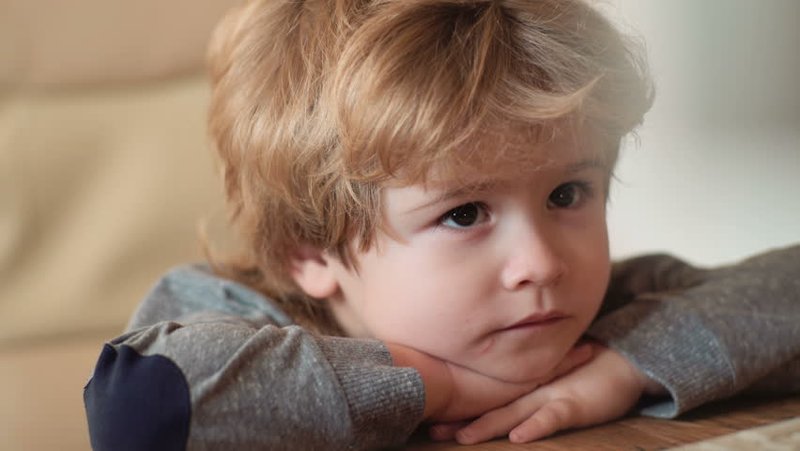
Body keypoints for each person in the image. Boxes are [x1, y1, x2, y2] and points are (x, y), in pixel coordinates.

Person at [83, 0, 800, 449]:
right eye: (464, 213)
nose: (542, 263)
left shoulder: (596, 317)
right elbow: (138, 408)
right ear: (310, 251)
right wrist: (445, 388)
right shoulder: (223, 320)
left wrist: (623, 368)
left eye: (567, 193)